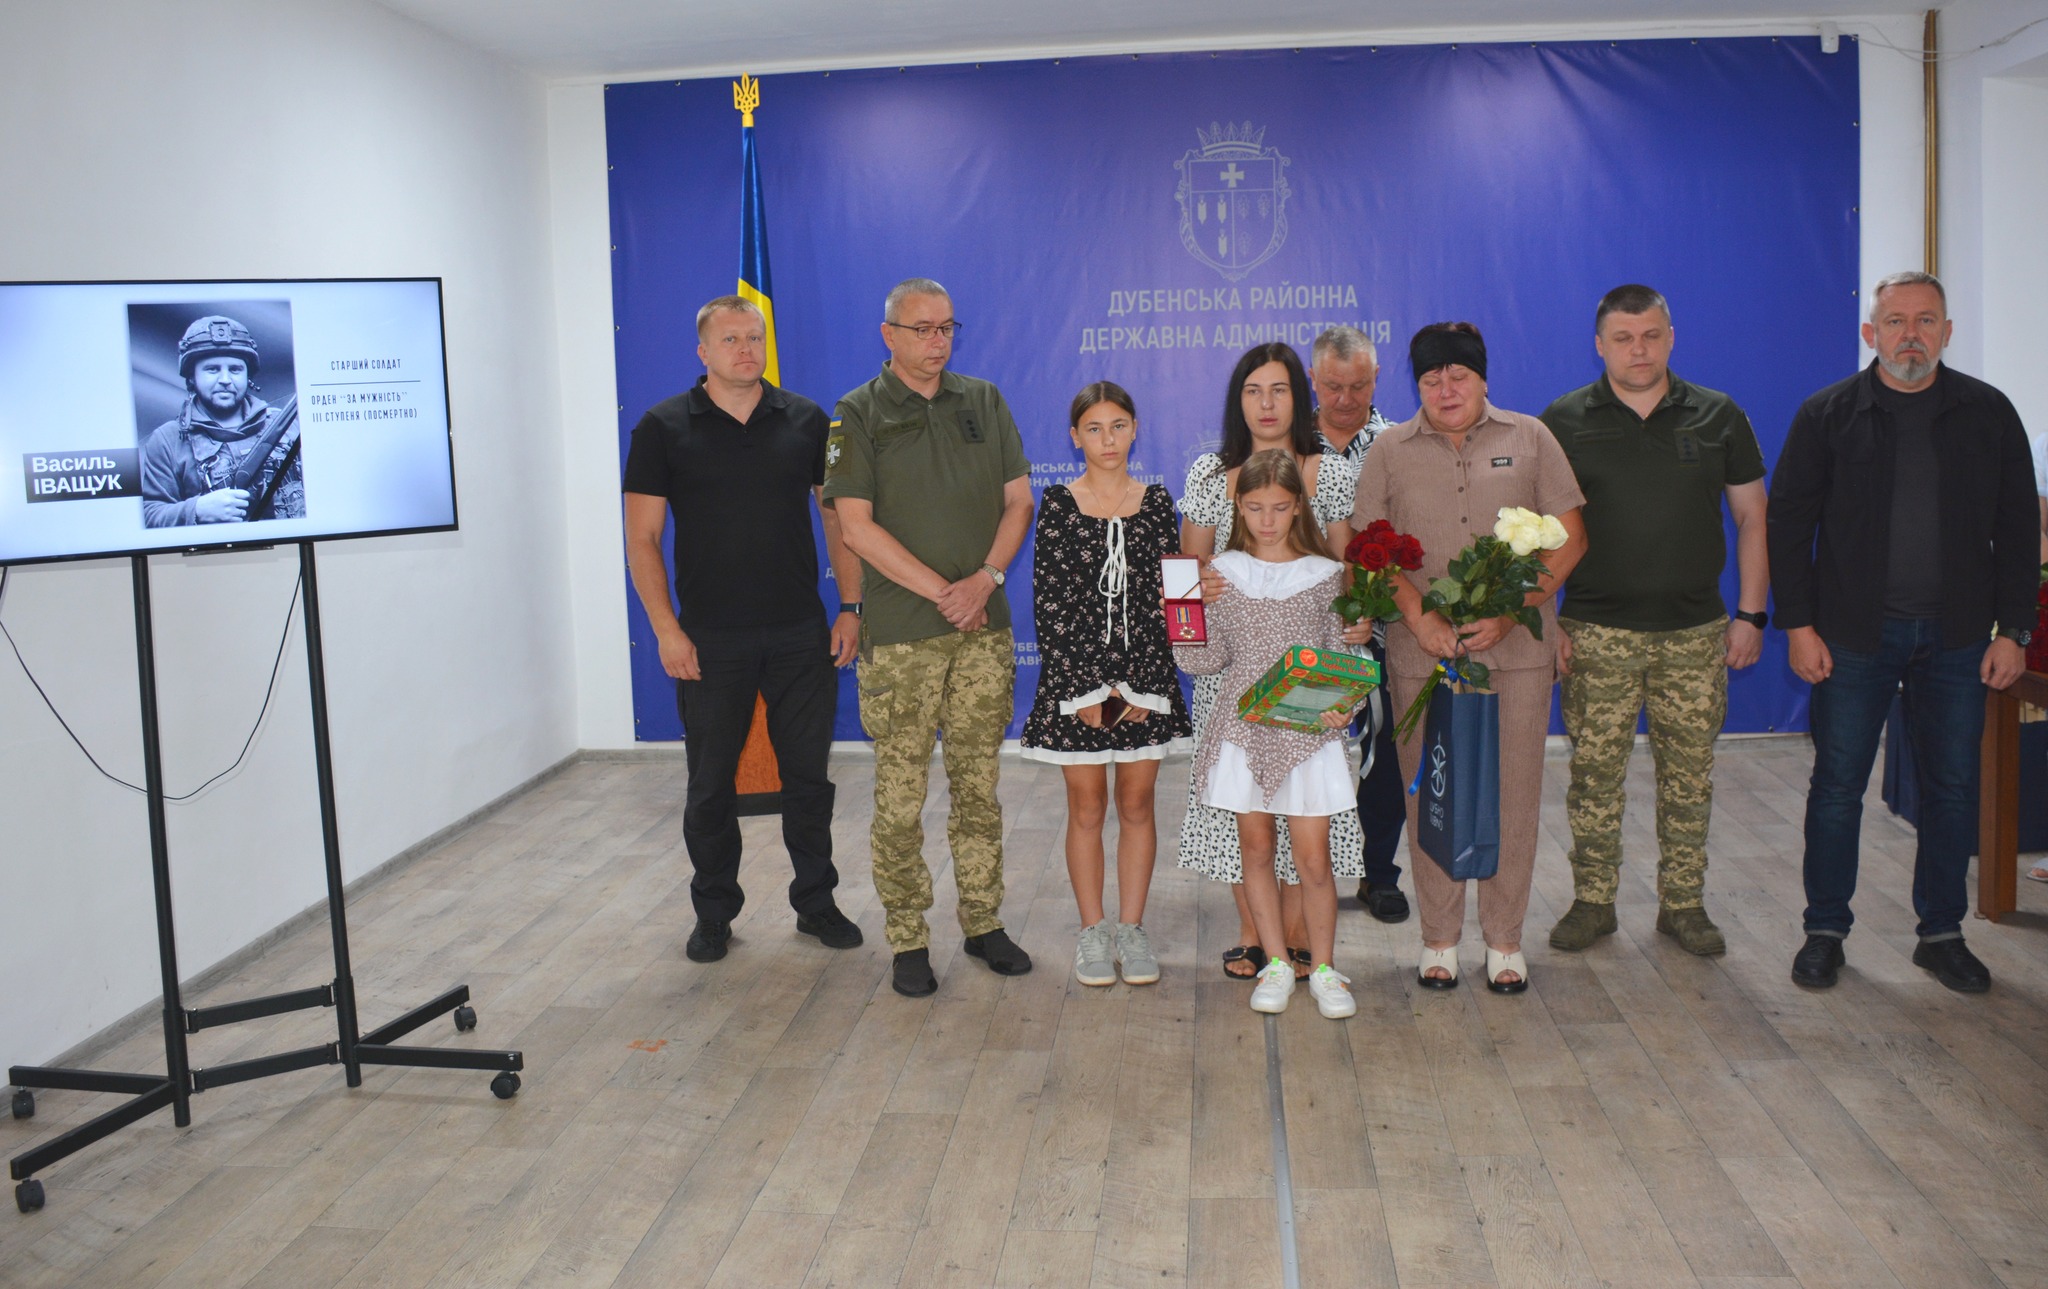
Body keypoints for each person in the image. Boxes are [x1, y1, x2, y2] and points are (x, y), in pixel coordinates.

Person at [1769, 271, 2035, 993]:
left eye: (1925, 321)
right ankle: (1825, 930)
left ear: (1947, 332)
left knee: (1953, 787)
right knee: (1837, 787)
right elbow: (1788, 525)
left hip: (1959, 638)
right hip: (1852, 637)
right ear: (1871, 333)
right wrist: (1798, 626)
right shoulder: (1827, 414)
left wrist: (2014, 630)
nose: (1910, 335)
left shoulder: (1988, 412)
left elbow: (2018, 529)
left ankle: (1941, 934)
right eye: (1895, 321)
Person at [622, 295, 865, 964]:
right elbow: (642, 539)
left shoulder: (807, 420)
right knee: (709, 788)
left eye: (754, 338)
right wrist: (667, 630)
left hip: (799, 634)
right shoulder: (661, 427)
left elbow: (837, 518)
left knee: (808, 782)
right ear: (702, 351)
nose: (745, 350)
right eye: (730, 339)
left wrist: (851, 606)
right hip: (708, 639)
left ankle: (816, 903)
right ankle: (713, 913)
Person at [1352, 322, 1586, 993]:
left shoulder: (1530, 437)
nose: (1446, 389)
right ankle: (1439, 939)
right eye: (1432, 379)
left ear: (1483, 378)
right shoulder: (1390, 450)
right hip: (1423, 655)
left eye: (1459, 376)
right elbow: (1369, 546)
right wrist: (1418, 616)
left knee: (1514, 792)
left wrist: (1512, 612)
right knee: (1434, 792)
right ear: (1417, 385)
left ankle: (1505, 939)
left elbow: (1570, 539)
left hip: (1515, 652)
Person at [1539, 284, 1769, 958]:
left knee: (1689, 777)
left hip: (1695, 632)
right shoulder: (1564, 420)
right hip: (1595, 631)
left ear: (1670, 337)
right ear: (1599, 345)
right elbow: (1536, 532)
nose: (1638, 350)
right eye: (1623, 338)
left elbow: (1754, 517)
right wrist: (1548, 620)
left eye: (1650, 336)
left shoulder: (1719, 414)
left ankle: (1684, 905)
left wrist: (1752, 614)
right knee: (1593, 775)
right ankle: (1593, 902)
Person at [824, 278, 1036, 998]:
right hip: (903, 638)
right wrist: (946, 592)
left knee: (979, 789)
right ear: (889, 335)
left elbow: (1019, 502)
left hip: (982, 631)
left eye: (947, 327)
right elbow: (856, 527)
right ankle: (908, 937)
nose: (937, 341)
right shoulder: (857, 412)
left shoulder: (984, 400)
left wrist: (985, 580)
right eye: (922, 329)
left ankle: (983, 922)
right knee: (900, 797)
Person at [1177, 342, 1361, 982]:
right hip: (1232, 667)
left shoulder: (1329, 471)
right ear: (1239, 400)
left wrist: (1358, 622)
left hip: (1310, 673)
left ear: (1297, 397)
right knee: (1247, 817)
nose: (1266, 403)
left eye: (1279, 389)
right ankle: (1256, 937)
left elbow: (1347, 570)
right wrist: (1197, 598)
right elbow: (1187, 573)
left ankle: (1304, 937)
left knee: (1308, 816)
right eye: (1253, 390)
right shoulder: (1210, 474)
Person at [1020, 383, 1193, 986]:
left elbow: (1173, 596)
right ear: (1075, 437)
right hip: (1079, 689)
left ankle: (1133, 928)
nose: (1108, 439)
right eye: (1094, 428)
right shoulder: (1058, 503)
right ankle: (1093, 931)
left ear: (1135, 429)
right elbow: (1052, 603)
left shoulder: (1159, 501)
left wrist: (1146, 689)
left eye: (1118, 426)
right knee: (1087, 806)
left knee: (1138, 804)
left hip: (1146, 685)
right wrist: (1087, 690)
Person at [1309, 325, 1410, 925]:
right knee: (1302, 753)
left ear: (1377, 379)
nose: (1346, 399)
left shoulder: (1400, 446)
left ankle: (1380, 873)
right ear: (1312, 380)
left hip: (1387, 628)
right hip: (1302, 631)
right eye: (1332, 386)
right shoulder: (1285, 447)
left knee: (1386, 753)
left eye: (1359, 386)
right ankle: (1299, 879)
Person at [140, 314, 304, 527]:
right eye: (212, 369)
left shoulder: (289, 426)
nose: (225, 380)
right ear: (192, 377)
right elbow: (150, 515)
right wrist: (197, 510)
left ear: (247, 376)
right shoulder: (167, 440)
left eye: (235, 369)